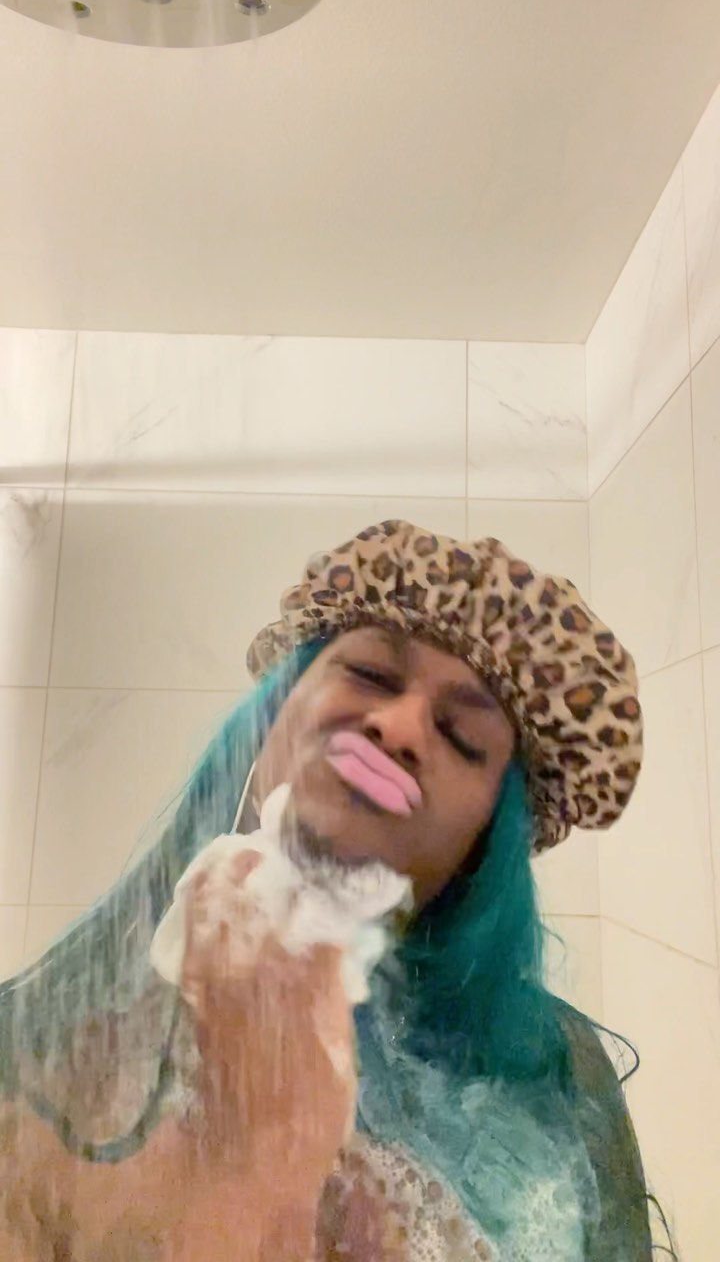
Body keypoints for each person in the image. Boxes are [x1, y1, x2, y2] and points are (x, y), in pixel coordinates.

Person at [0, 518, 661, 1260]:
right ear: (272, 718)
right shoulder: (42, 1053)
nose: (401, 726)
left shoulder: (561, 1073)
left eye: (463, 737)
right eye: (371, 675)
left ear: (484, 848)